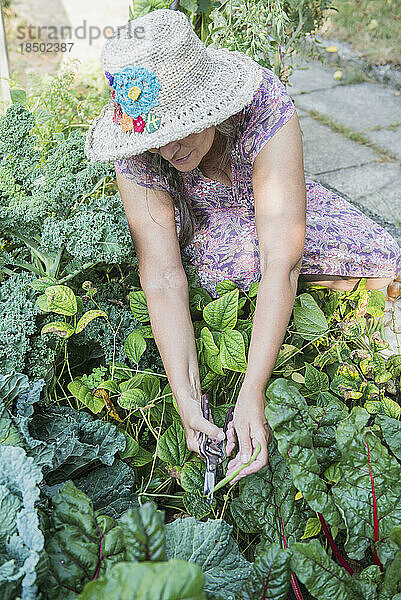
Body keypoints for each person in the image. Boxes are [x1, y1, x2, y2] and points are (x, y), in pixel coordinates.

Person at [85, 9, 401, 486]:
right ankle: (306, 305)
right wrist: (186, 398)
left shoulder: (261, 104)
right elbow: (164, 277)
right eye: (157, 139)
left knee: (382, 269)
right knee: (233, 257)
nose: (169, 150)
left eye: (181, 130)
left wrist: (253, 392)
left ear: (208, 105)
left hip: (273, 210)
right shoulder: (141, 150)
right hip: (211, 233)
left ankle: (325, 305)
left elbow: (283, 256)